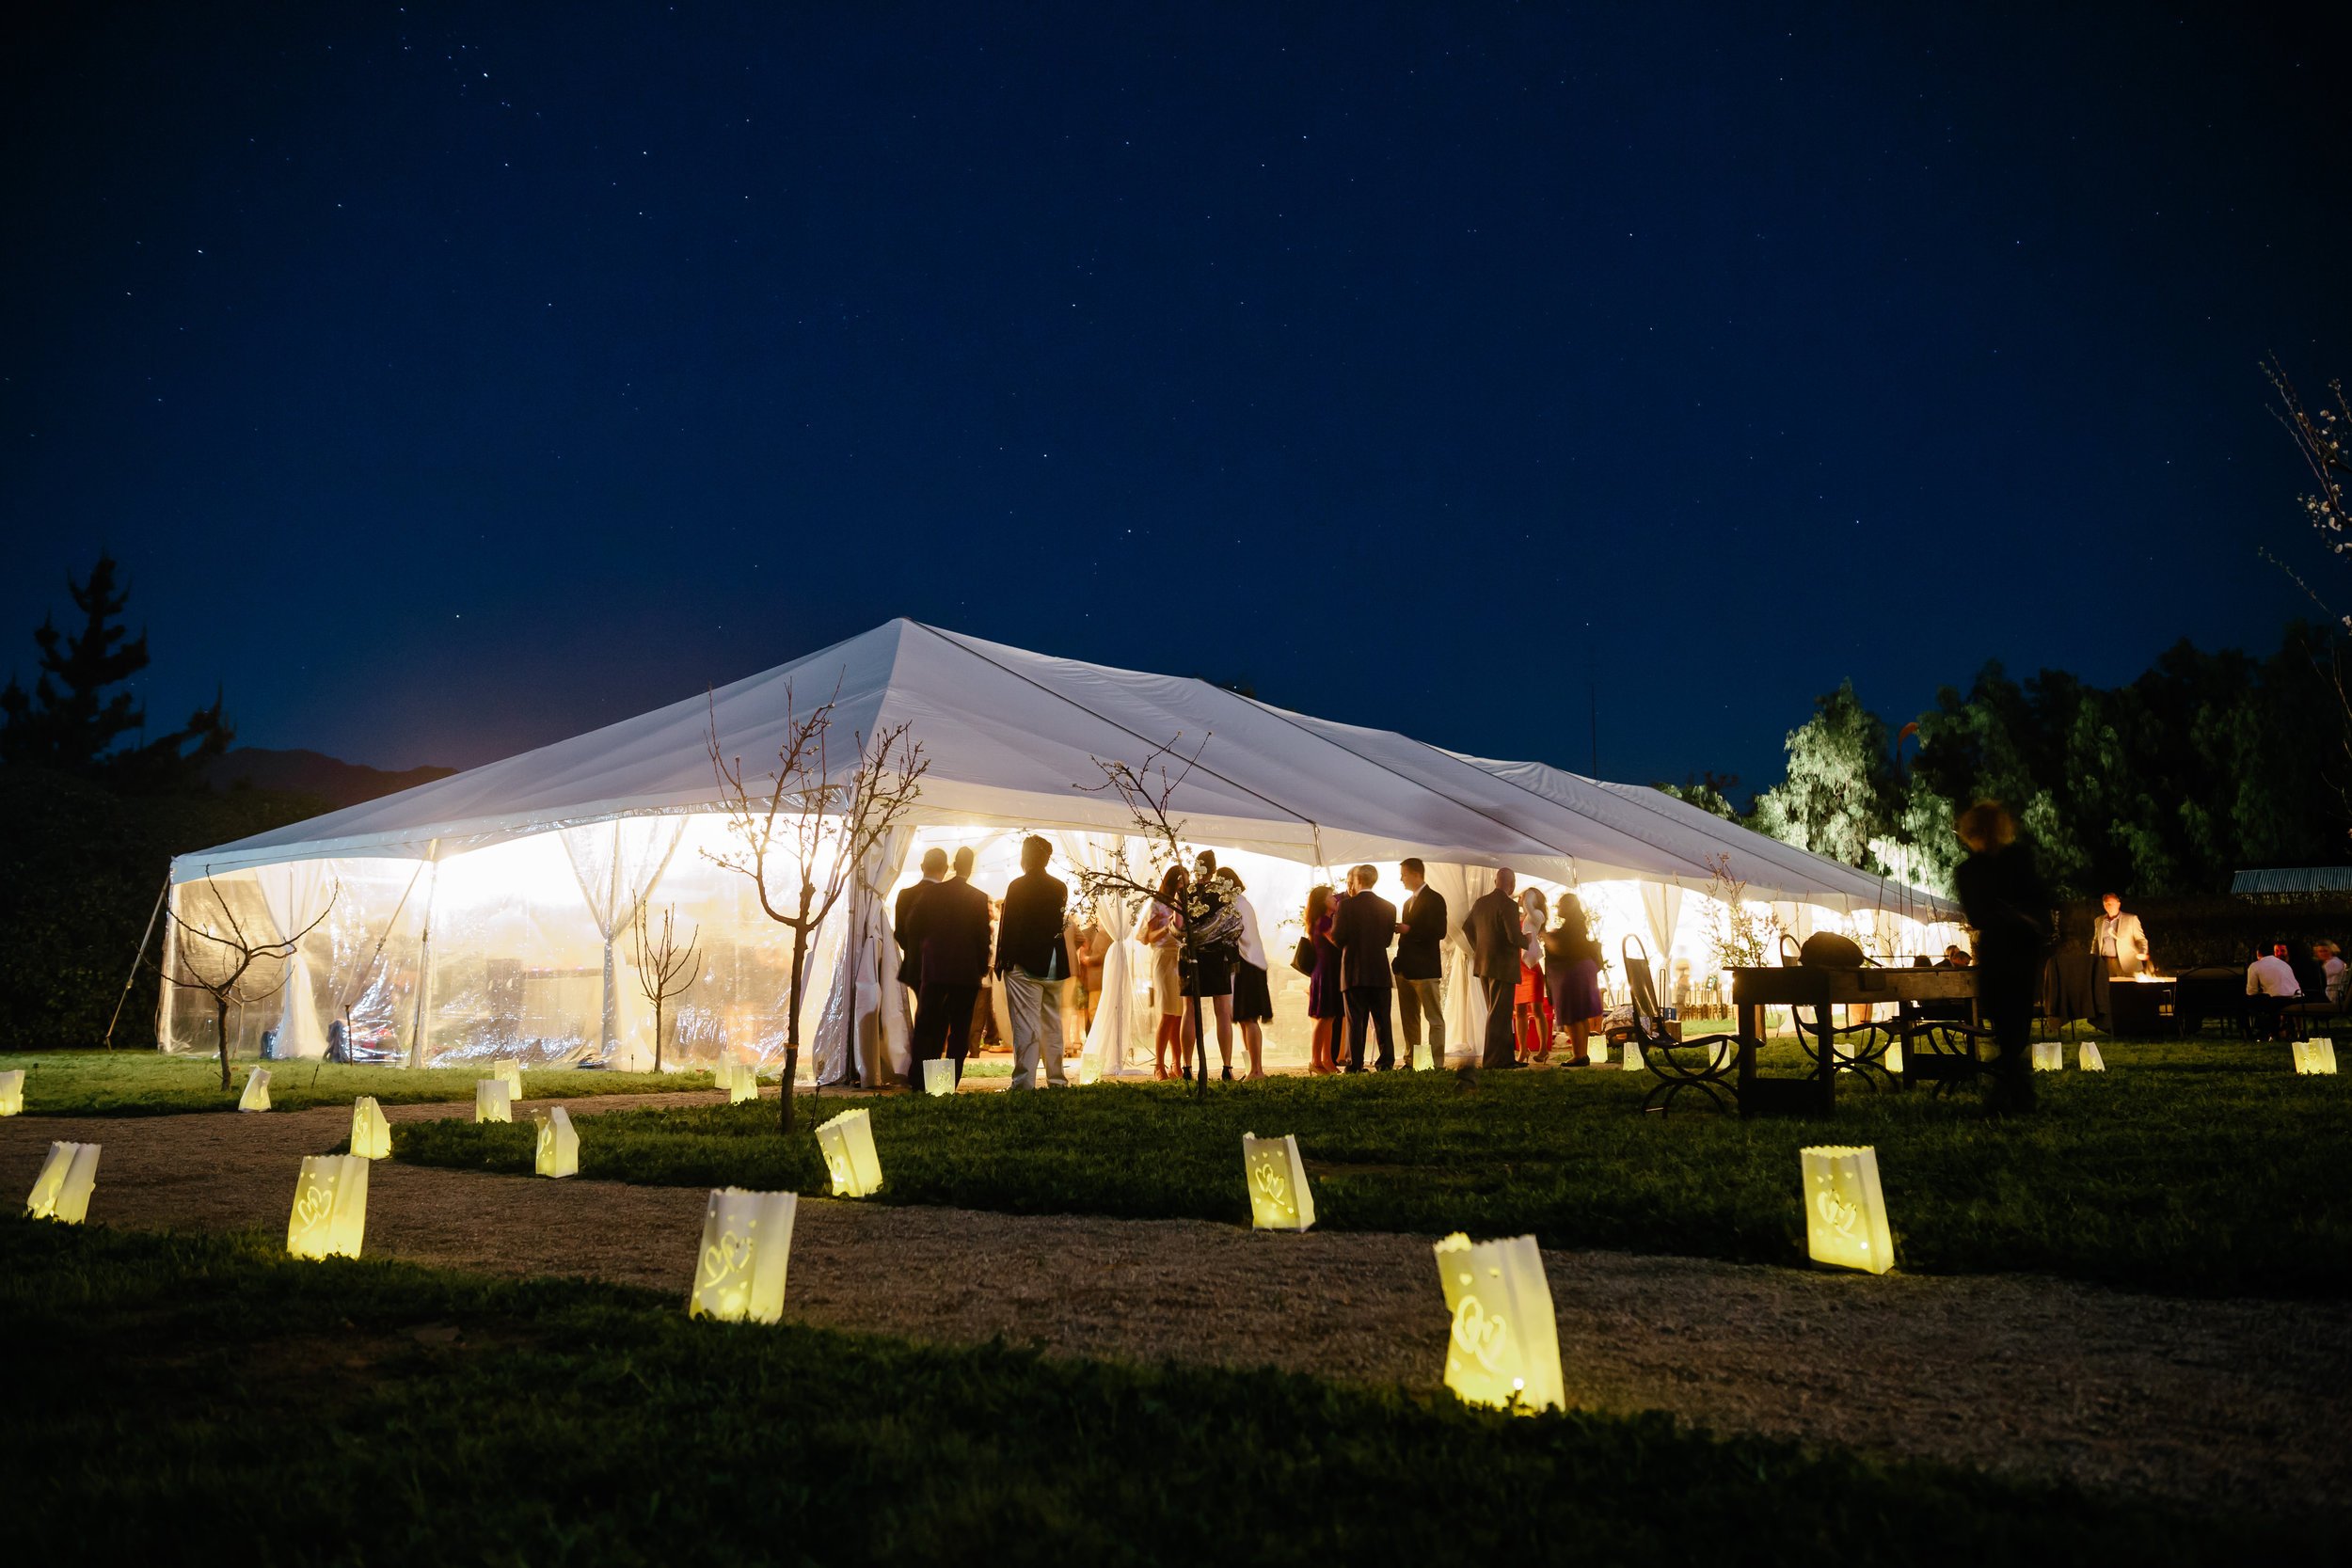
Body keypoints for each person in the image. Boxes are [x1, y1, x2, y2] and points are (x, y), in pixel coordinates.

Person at [1951, 801, 2054, 1117]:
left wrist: (2012, 913)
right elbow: (1980, 914)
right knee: (2009, 1026)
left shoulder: (1996, 865)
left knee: (2012, 1026)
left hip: (2012, 949)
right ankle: (2015, 1095)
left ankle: (2010, 1095)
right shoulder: (1977, 870)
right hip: (2009, 949)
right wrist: (2018, 914)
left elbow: (1984, 913)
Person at [994, 835, 1073, 1090]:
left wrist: (1004, 961)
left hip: (1024, 963)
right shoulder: (1060, 887)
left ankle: (1024, 1083)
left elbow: (1011, 927)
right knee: (1052, 1024)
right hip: (1052, 962)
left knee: (1025, 1025)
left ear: (1025, 856)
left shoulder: (1018, 886)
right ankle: (1057, 1080)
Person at [910, 846, 992, 1086]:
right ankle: (947, 1083)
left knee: (927, 1026)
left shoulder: (933, 893)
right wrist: (980, 968)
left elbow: (913, 927)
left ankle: (920, 1080)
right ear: (971, 866)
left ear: (953, 865)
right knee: (959, 1031)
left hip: (935, 970)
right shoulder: (978, 897)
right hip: (965, 974)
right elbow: (982, 938)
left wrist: (926, 951)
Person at [1182, 850, 1243, 1080]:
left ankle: (1187, 1067)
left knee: (1189, 1011)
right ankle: (1227, 1067)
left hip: (1191, 955)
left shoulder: (1185, 893)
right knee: (1223, 1011)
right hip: (1217, 955)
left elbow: (1177, 926)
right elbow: (1233, 926)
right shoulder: (1221, 894)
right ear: (1214, 870)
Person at [1334, 863, 1398, 1070]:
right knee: (1382, 1020)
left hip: (1354, 970)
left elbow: (1338, 937)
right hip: (1379, 970)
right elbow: (1388, 940)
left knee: (1356, 1020)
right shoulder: (1389, 907)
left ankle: (1355, 1064)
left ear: (1357, 880)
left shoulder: (1345, 906)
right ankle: (1386, 1062)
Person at [1463, 867, 1525, 1072]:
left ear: (1495, 881)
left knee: (1498, 1012)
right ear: (1512, 883)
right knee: (1499, 1013)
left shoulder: (1481, 902)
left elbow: (1467, 927)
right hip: (1502, 965)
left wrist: (1479, 947)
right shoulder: (1508, 905)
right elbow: (1514, 937)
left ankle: (1506, 1058)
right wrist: (1528, 940)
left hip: (1484, 964)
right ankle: (1492, 1060)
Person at [1393, 858, 1448, 1070]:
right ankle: (1416, 1062)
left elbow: (1439, 932)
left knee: (1433, 1017)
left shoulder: (1435, 899)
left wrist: (1410, 931)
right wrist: (1397, 964)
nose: (1401, 879)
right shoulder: (1407, 903)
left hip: (1425, 969)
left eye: (1404, 874)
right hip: (1406, 969)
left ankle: (1435, 1063)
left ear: (1416, 874)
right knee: (1410, 1019)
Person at [1218, 866, 1271, 1079]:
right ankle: (1251, 1069)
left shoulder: (1235, 905)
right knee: (1243, 1019)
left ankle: (1257, 1069)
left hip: (1247, 965)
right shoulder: (1242, 903)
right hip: (1250, 964)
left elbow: (1231, 934)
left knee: (1249, 1019)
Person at [1544, 893, 1604, 1066]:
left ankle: (1579, 1055)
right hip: (1585, 969)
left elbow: (1559, 949)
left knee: (1572, 1014)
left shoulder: (1569, 929)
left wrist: (1546, 936)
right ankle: (1582, 1054)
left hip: (1574, 972)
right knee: (1581, 1014)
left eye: (1560, 905)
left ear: (1567, 907)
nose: (1557, 908)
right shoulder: (1577, 925)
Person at [1143, 865, 1189, 1080]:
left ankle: (1176, 1064)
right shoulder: (1157, 904)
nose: (1185, 888)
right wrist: (1168, 927)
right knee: (1167, 1012)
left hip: (1182, 956)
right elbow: (1148, 937)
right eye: (1182, 884)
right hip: (1163, 956)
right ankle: (1158, 1065)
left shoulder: (1187, 905)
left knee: (1179, 1013)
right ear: (1173, 883)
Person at [1305, 883, 1343, 1074]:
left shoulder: (1324, 920)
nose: (1335, 899)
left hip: (1328, 972)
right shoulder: (1325, 922)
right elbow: (1338, 941)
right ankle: (1316, 1060)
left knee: (1329, 1017)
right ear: (1322, 902)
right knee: (1323, 1017)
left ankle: (1327, 1059)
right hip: (1326, 973)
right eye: (1330, 896)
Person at [1514, 885, 1552, 1061]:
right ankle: (1523, 1049)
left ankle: (1543, 1049)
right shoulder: (1520, 916)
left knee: (1537, 1009)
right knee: (1519, 1010)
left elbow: (1529, 905)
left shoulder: (1537, 915)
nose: (1522, 897)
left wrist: (1527, 894)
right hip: (1518, 967)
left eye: (1527, 895)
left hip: (1532, 967)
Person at [2247, 941, 2301, 1039]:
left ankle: (2254, 1031)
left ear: (2258, 953)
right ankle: (2277, 1030)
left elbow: (2251, 991)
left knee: (2250, 1002)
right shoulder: (2284, 964)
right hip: (2297, 998)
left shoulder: (2255, 966)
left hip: (2278, 1000)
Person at [2090, 892, 2152, 976]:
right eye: (2106, 904)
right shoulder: (2099, 921)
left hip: (2128, 964)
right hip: (2106, 964)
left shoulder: (2131, 919)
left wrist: (2143, 952)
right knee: (2109, 988)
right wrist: (2093, 958)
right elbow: (2096, 941)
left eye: (2111, 904)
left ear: (2118, 904)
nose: (2108, 906)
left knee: (2129, 988)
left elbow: (2141, 939)